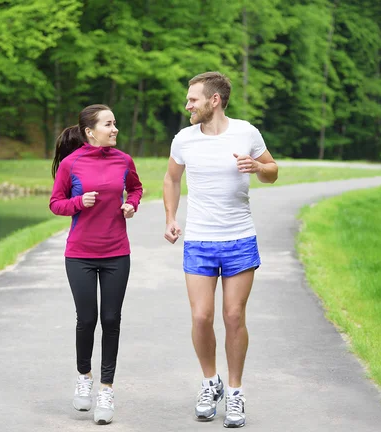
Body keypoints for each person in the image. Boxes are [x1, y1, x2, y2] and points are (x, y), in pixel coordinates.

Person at [163, 72, 278, 428]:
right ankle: (210, 382)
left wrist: (259, 167)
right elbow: (171, 178)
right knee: (201, 317)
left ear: (214, 100)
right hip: (199, 240)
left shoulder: (247, 133)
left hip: (239, 239)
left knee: (232, 317)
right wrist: (170, 216)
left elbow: (272, 171)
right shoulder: (184, 139)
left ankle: (236, 390)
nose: (188, 106)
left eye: (193, 100)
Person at [49, 104, 143, 425]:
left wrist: (131, 204)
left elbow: (137, 188)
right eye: (108, 124)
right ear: (90, 132)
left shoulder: (124, 160)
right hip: (80, 255)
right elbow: (56, 203)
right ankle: (84, 377)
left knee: (112, 318)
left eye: (115, 123)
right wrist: (79, 202)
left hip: (117, 252)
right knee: (86, 319)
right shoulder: (71, 164)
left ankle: (106, 389)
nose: (115, 129)